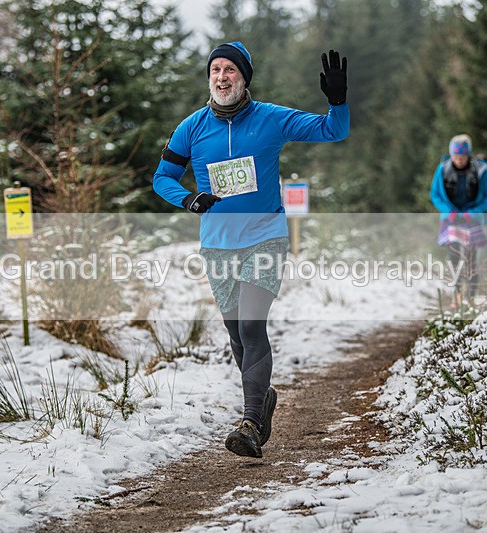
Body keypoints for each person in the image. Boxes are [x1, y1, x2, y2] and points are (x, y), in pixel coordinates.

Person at [152, 42, 349, 458]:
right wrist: (186, 199)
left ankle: (251, 422)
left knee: (251, 328)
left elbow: (334, 131)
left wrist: (337, 101)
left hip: (265, 237)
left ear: (244, 79)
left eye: (230, 71)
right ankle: (263, 401)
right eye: (216, 70)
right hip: (218, 245)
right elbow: (162, 177)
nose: (222, 77)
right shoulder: (192, 127)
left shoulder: (271, 119)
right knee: (236, 333)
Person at [430, 134, 487, 304]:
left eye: (462, 157)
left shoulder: (481, 170)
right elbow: (435, 194)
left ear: (469, 156)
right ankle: (458, 292)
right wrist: (447, 211)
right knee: (453, 256)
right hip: (451, 218)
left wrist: (475, 211)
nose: (459, 161)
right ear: (451, 155)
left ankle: (471, 294)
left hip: (471, 218)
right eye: (456, 157)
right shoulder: (443, 169)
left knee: (470, 257)